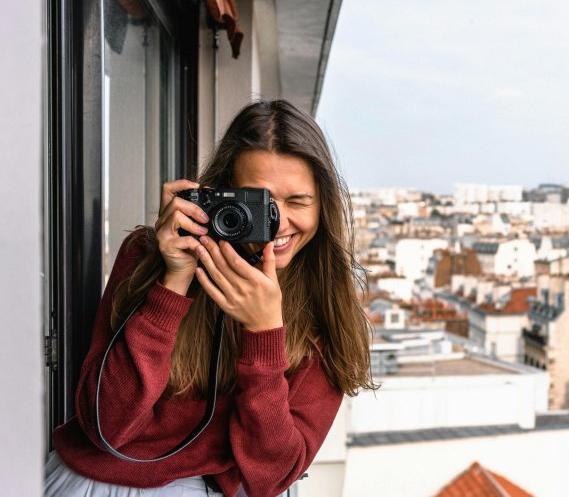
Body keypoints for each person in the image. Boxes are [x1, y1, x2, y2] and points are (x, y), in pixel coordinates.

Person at [45, 99, 377, 496]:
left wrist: (264, 334)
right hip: (99, 482)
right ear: (221, 194)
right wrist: (172, 282)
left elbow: (272, 476)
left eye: (298, 202)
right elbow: (106, 426)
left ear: (323, 205)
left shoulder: (325, 310)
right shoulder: (147, 254)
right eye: (261, 203)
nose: (278, 223)